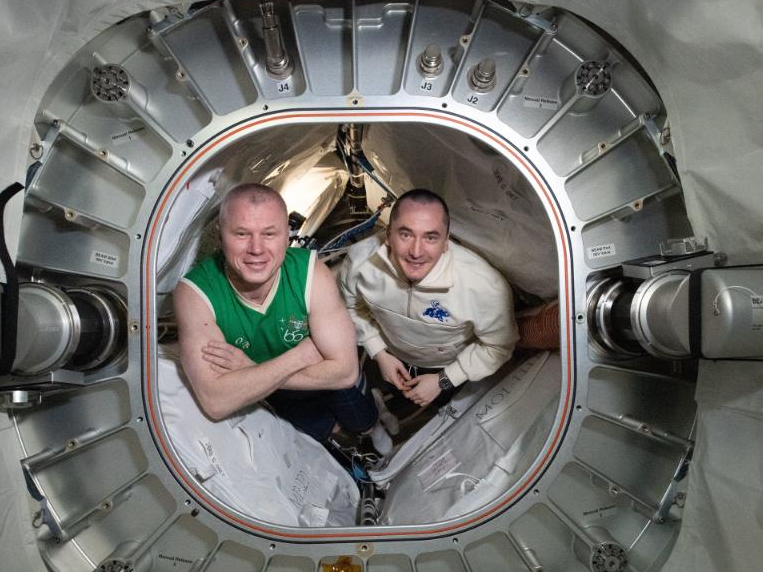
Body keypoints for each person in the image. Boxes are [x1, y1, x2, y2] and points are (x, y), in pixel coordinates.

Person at [173, 183, 393, 455]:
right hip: (278, 392)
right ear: (221, 236)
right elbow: (215, 401)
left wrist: (250, 369)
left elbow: (345, 372)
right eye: (241, 234)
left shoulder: (311, 273)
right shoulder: (195, 293)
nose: (256, 248)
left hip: (278, 382)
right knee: (325, 432)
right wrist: (299, 356)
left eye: (269, 234)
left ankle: (374, 425)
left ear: (286, 237)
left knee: (361, 416)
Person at [338, 189, 519, 412]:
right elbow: (350, 306)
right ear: (388, 234)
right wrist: (378, 352)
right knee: (399, 396)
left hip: (445, 367)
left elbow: (498, 346)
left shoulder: (483, 287)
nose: (416, 251)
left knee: (438, 403)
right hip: (390, 355)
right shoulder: (359, 262)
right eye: (406, 234)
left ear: (446, 241)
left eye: (431, 237)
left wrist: (444, 380)